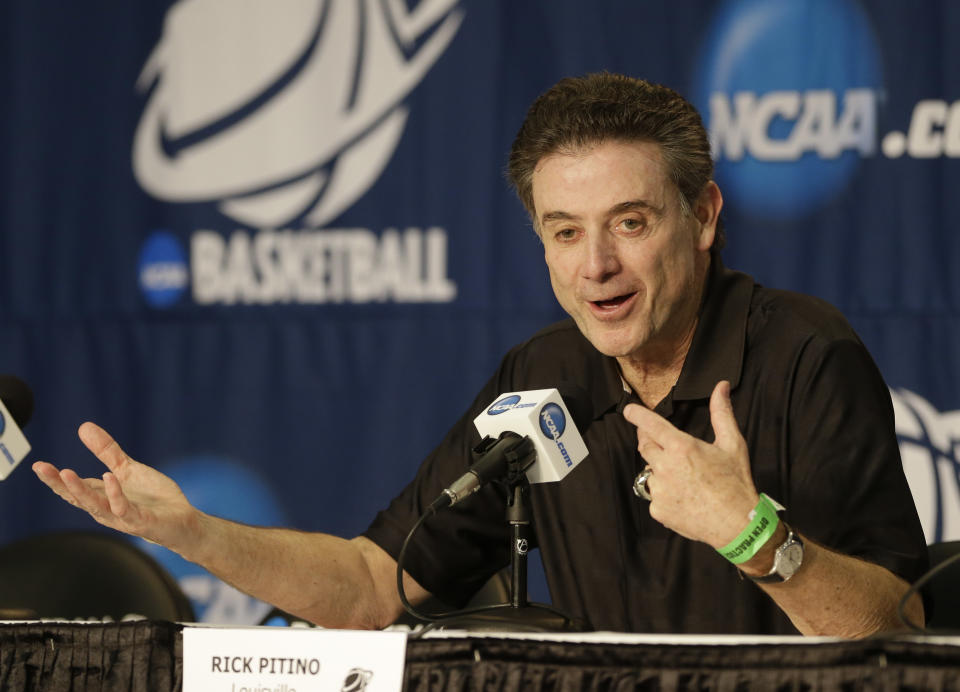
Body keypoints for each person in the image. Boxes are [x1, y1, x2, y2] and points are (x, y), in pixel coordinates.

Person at [33, 73, 927, 636]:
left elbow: (900, 626)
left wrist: (755, 535)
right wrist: (192, 534)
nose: (596, 266)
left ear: (703, 218)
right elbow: (371, 584)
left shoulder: (807, 356)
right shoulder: (546, 374)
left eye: (630, 222)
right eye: (564, 231)